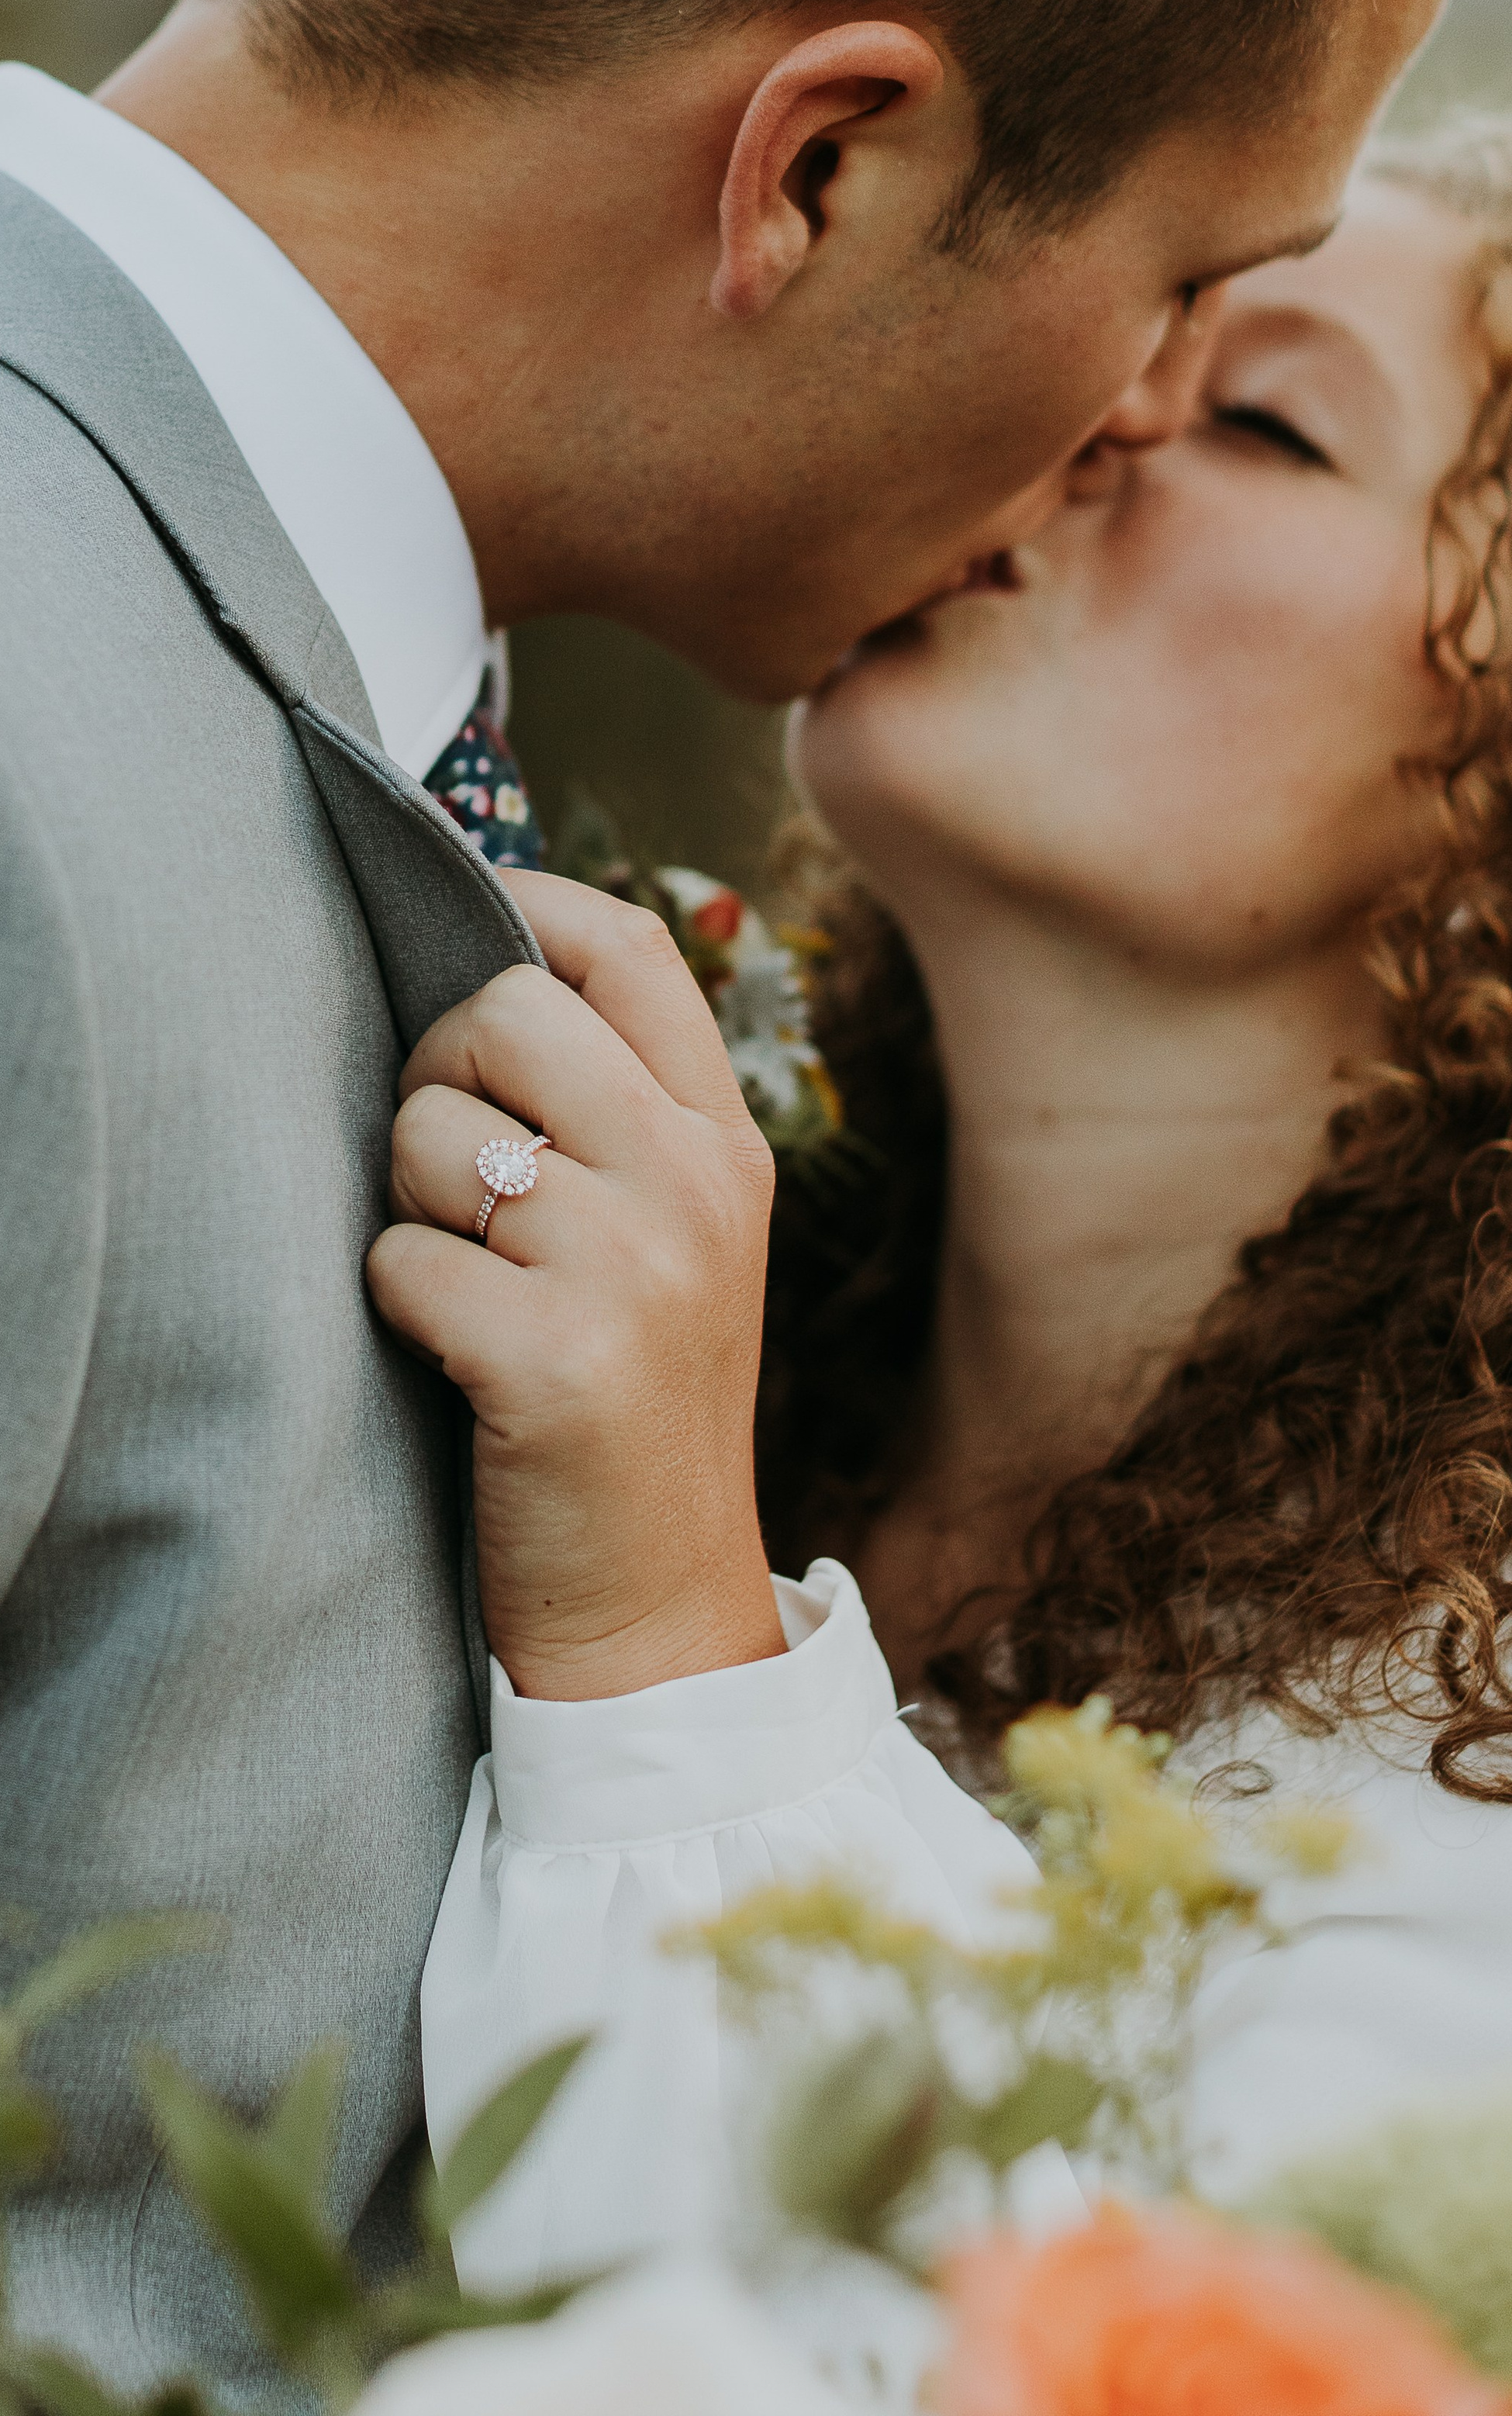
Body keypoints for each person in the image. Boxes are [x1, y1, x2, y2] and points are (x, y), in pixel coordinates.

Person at [0, 0, 1511, 2403]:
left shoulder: (356, 840)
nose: (1120, 423)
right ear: (817, 168)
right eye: (1179, 296)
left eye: (1263, 393)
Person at [392, 116, 1512, 2290]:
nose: (1094, 414)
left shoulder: (1468, 1730)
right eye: (1137, 338)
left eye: (1269, 418)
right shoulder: (663, 1322)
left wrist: (657, 1652)